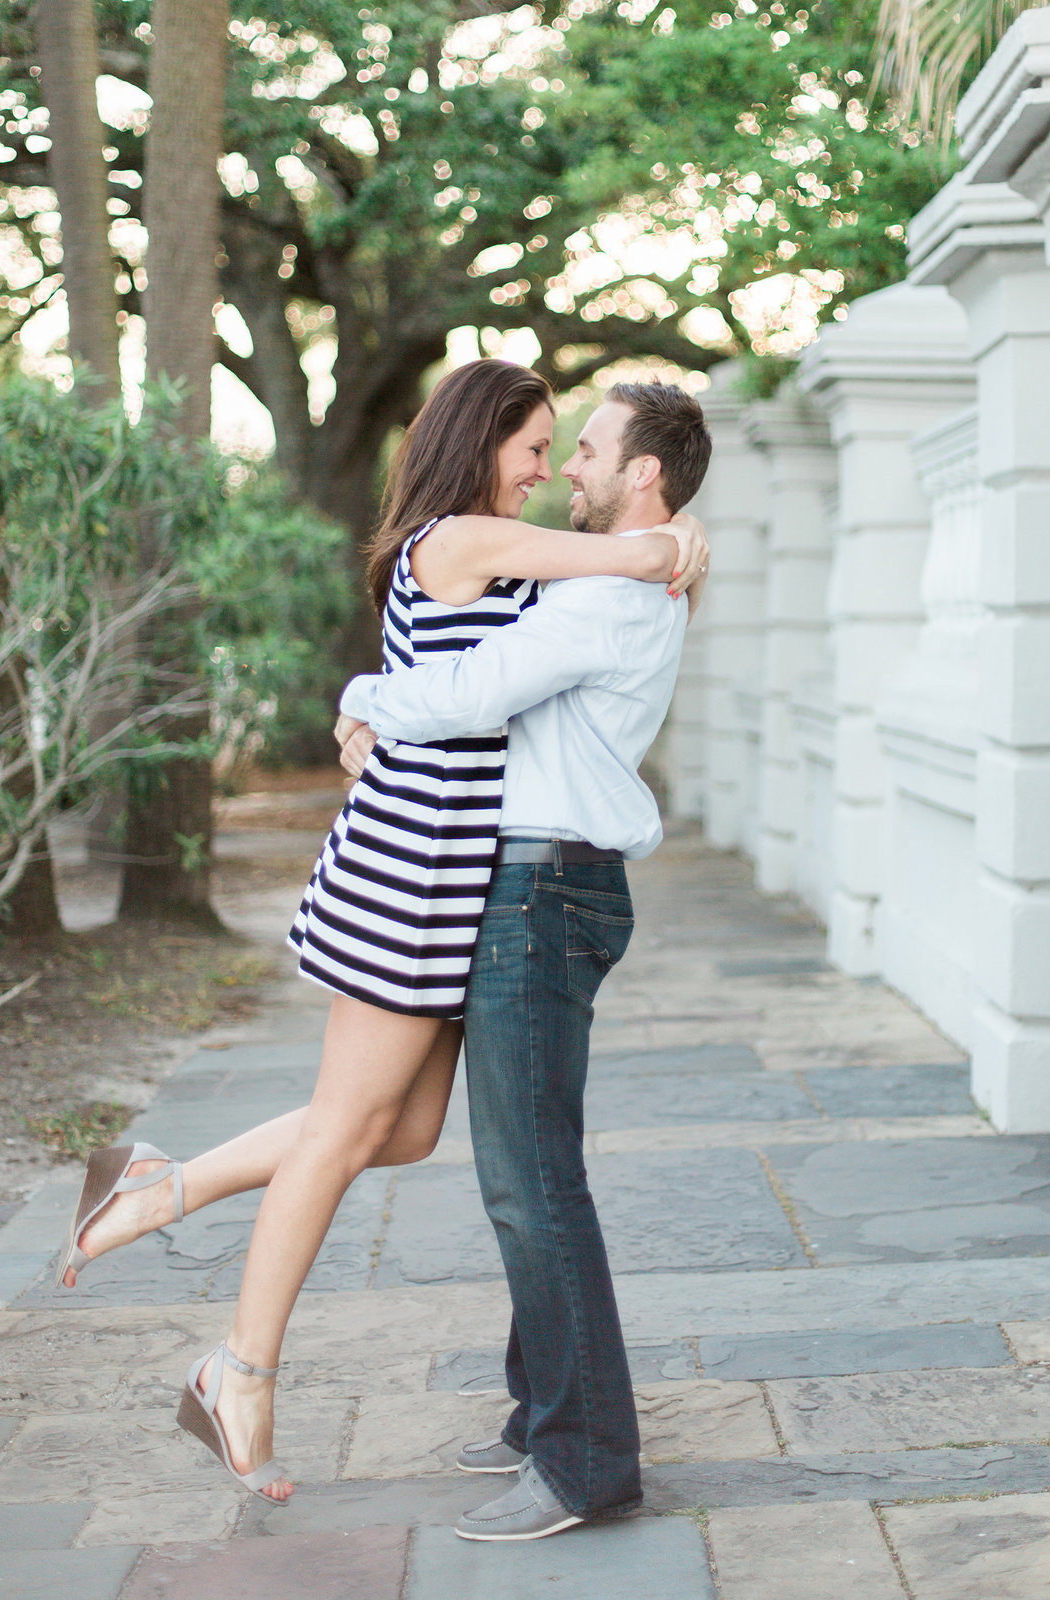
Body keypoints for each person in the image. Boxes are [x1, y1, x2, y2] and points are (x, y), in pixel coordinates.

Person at [55, 359, 710, 1503]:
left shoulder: (519, 553)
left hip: (460, 868)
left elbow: (501, 660)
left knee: (396, 1131)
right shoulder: (457, 536)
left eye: (572, 449)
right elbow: (583, 578)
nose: (552, 470)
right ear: (481, 438)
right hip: (415, 862)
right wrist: (659, 548)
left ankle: (159, 1186)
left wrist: (658, 554)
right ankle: (238, 1372)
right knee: (354, 1123)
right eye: (539, 445)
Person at [334, 378, 712, 1539]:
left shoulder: (608, 597)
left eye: (589, 448)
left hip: (542, 888)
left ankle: (586, 1456)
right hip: (545, 883)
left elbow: (471, 694)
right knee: (530, 1170)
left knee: (531, 1178)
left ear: (644, 471)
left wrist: (358, 699)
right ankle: (541, 1409)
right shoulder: (617, 574)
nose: (568, 469)